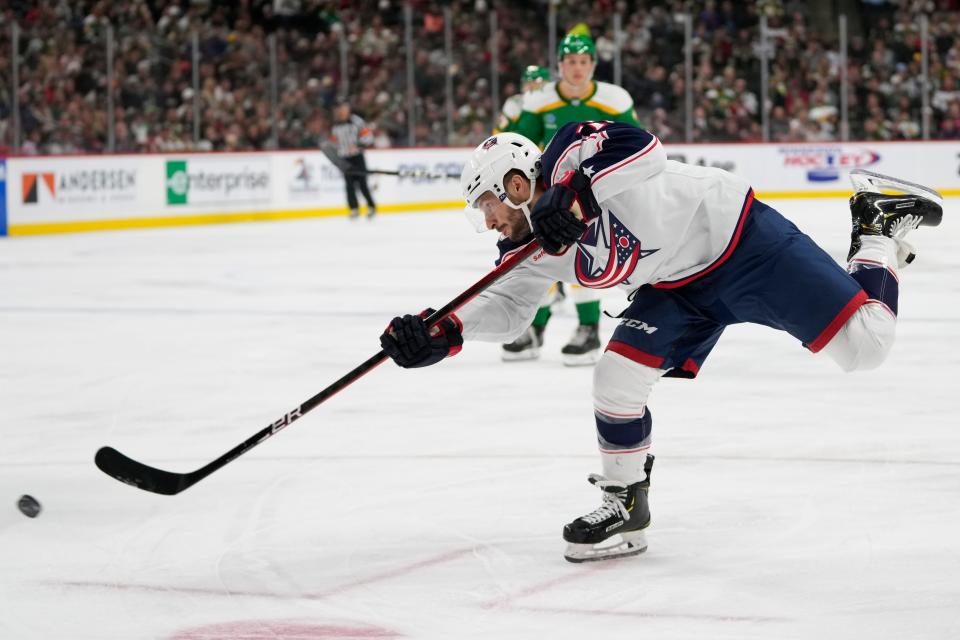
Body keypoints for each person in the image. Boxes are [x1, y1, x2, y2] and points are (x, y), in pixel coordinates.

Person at [378, 123, 942, 563]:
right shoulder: (528, 249)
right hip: (675, 289)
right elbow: (506, 310)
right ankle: (627, 502)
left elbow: (642, 147)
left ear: (517, 184)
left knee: (866, 346)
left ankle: (877, 229)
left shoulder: (568, 153)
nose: (491, 221)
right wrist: (443, 332)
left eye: (489, 205)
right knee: (615, 376)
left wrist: (573, 196)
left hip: (739, 240)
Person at [506, 33, 641, 366]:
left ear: (593, 64)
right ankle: (535, 328)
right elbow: (519, 146)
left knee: (585, 260)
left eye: (583, 62)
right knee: (536, 262)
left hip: (598, 196)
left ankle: (588, 328)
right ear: (560, 65)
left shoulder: (615, 99)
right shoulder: (539, 101)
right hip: (550, 197)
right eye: (571, 62)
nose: (577, 68)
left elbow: (635, 144)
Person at [330, 100, 377, 219]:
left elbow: (368, 137)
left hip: (357, 157)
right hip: (344, 159)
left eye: (343, 108)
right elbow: (335, 141)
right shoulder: (335, 124)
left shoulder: (357, 121)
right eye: (338, 109)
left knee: (362, 184)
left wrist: (358, 145)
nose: (340, 111)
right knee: (349, 185)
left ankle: (371, 206)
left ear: (348, 109)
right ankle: (354, 208)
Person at [495, 65, 550, 134]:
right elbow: (498, 133)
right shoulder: (514, 103)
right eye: (528, 83)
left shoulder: (554, 103)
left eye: (537, 84)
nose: (532, 87)